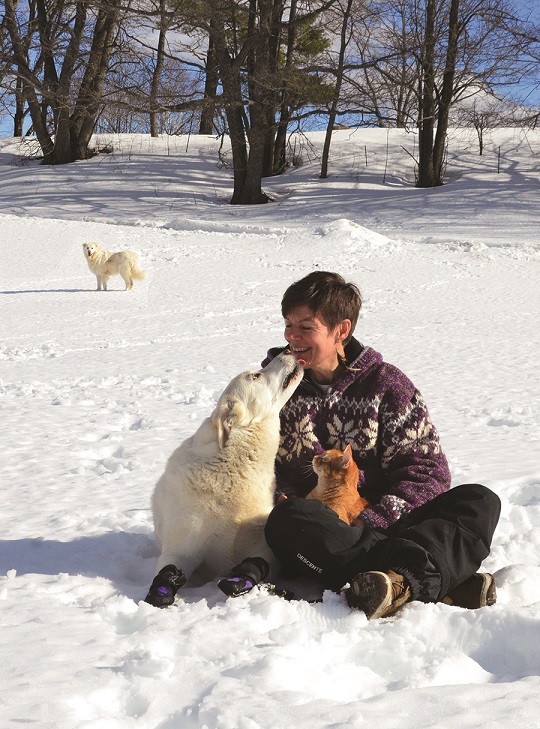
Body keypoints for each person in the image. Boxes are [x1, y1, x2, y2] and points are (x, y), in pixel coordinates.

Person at [253, 270, 501, 620]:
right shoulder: (271, 388)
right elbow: (255, 463)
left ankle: (393, 582)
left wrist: (374, 521)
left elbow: (427, 472)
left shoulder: (388, 386)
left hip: (391, 523)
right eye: (288, 325)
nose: (292, 337)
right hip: (321, 532)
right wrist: (286, 496)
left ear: (342, 330)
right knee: (287, 519)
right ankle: (430, 580)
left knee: (479, 501)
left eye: (306, 327)